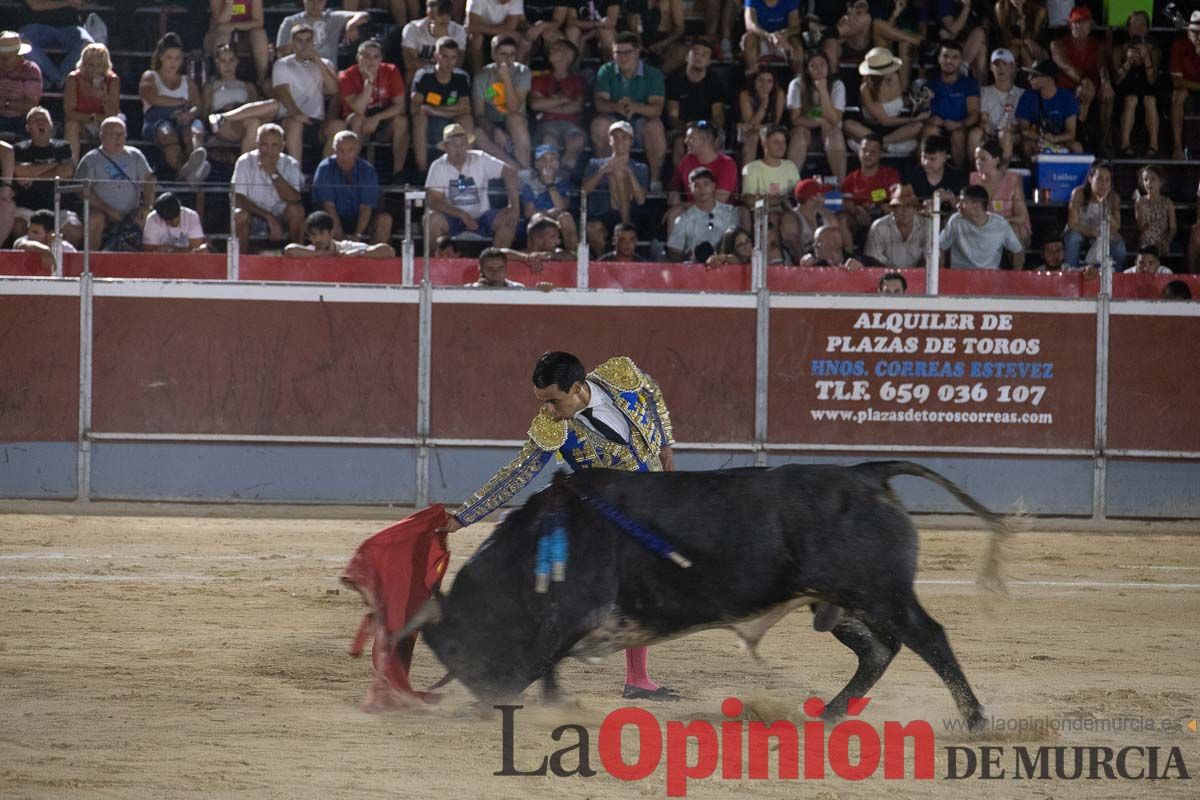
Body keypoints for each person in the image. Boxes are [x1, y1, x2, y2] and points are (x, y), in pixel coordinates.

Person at [442, 350, 678, 702]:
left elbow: (652, 391)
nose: (548, 410)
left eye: (553, 400)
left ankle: (637, 679)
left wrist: (665, 444)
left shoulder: (621, 374)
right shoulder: (551, 429)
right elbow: (517, 473)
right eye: (542, 402)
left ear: (579, 387)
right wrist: (463, 516)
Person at [591, 33, 668, 193]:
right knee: (599, 124)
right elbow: (600, 103)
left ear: (637, 51)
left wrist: (634, 106)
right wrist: (617, 106)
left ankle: (655, 180)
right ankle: (606, 176)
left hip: (641, 123)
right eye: (618, 53)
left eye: (627, 52)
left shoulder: (653, 74)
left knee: (655, 126)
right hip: (614, 120)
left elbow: (656, 109)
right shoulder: (606, 70)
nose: (622, 57)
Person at [424, 123, 520, 247]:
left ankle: (496, 261)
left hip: (483, 217)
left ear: (467, 145)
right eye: (453, 144)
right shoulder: (438, 166)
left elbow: (510, 173)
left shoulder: (480, 158)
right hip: (452, 218)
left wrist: (514, 206)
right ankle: (434, 263)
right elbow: (433, 200)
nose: (458, 149)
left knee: (509, 220)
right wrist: (462, 215)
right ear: (446, 147)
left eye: (462, 144)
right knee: (431, 219)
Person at [74, 117, 156, 251]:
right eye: (113, 134)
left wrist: (148, 206)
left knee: (147, 218)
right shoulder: (91, 159)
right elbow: (81, 189)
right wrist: (109, 210)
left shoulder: (135, 155)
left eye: (121, 134)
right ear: (102, 136)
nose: (118, 138)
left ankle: (145, 262)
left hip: (131, 212)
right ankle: (90, 262)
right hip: (102, 211)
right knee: (94, 219)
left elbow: (148, 180)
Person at [339, 39, 410, 182]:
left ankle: (398, 174)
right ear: (358, 58)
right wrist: (369, 81)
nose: (371, 61)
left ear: (381, 59)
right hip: (357, 123)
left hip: (383, 121)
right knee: (358, 119)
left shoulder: (391, 70)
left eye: (376, 56)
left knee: (401, 121)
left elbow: (399, 105)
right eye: (366, 56)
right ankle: (351, 172)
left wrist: (377, 118)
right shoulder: (346, 75)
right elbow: (359, 108)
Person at [272, 23, 345, 161]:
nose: (304, 45)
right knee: (295, 125)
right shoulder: (282, 64)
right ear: (292, 42)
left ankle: (323, 175)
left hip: (316, 121)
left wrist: (317, 60)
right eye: (299, 40)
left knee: (338, 126)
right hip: (290, 117)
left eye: (308, 40)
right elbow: (283, 93)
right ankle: (296, 174)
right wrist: (297, 114)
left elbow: (333, 90)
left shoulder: (325, 63)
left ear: (314, 42)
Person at [139, 34, 206, 183]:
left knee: (194, 129)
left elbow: (198, 106)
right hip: (156, 120)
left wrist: (190, 114)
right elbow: (152, 97)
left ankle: (195, 163)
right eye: (169, 57)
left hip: (184, 118)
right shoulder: (150, 76)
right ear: (161, 57)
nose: (173, 62)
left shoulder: (187, 81)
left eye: (177, 58)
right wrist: (180, 102)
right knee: (168, 133)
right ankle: (184, 173)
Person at [11, 106, 80, 249]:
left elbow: (67, 171)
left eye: (44, 120)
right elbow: (20, 173)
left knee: (75, 230)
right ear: (27, 128)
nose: (41, 123)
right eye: (36, 120)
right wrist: (54, 164)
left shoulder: (63, 147)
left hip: (59, 208)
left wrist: (33, 173)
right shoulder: (19, 149)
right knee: (18, 226)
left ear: (51, 125)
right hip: (28, 209)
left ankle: (64, 267)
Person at [232, 123, 307, 251]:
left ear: (282, 146)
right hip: (255, 215)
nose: (269, 150)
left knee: (297, 211)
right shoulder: (244, 162)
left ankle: (297, 256)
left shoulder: (290, 164)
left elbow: (294, 198)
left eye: (274, 145)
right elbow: (238, 198)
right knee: (239, 214)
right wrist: (267, 217)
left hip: (282, 216)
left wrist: (273, 172)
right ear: (257, 144)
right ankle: (241, 262)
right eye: (264, 144)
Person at [312, 130, 395, 245]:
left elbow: (366, 207)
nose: (345, 156)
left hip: (361, 218)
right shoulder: (324, 168)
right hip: (333, 217)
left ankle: (373, 259)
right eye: (340, 151)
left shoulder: (367, 170)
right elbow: (328, 207)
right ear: (334, 150)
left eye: (350, 151)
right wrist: (342, 240)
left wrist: (357, 236)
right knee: (324, 221)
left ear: (357, 150)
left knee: (384, 220)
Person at [1049, 5, 1113, 153]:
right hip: (1066, 88)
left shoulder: (1097, 45)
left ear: (1090, 25)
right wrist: (1084, 80)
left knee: (1108, 95)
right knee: (1084, 90)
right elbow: (1066, 66)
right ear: (1070, 25)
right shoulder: (1058, 44)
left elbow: (1102, 66)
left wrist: (1106, 82)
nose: (1080, 26)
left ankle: (1105, 141)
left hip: (1091, 85)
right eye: (1076, 22)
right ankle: (1077, 136)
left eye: (1084, 22)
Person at [581, 120, 649, 257]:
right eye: (615, 137)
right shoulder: (595, 164)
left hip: (630, 214)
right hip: (602, 213)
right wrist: (602, 171)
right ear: (610, 141)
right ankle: (604, 260)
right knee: (593, 229)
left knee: (619, 173)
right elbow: (584, 191)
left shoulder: (640, 168)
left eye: (624, 137)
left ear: (631, 141)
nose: (619, 141)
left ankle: (624, 226)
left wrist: (629, 173)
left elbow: (641, 199)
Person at [845, 47, 926, 158]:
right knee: (848, 125)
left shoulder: (895, 78)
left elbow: (901, 102)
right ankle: (886, 146)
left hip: (895, 131)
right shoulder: (865, 88)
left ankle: (879, 145)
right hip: (871, 129)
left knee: (919, 126)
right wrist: (914, 119)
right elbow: (885, 121)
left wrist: (918, 100)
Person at [411, 36, 474, 174]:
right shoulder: (424, 76)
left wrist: (434, 111)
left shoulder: (461, 77)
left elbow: (465, 107)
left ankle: (467, 169)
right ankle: (422, 169)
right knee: (419, 118)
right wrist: (450, 110)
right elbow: (416, 108)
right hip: (429, 123)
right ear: (436, 56)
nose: (449, 62)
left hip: (450, 121)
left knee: (467, 118)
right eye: (445, 56)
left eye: (453, 57)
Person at [204, 45, 278, 156]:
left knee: (274, 105)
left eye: (231, 60)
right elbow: (205, 111)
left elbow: (255, 107)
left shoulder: (248, 86)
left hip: (244, 118)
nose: (227, 65)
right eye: (223, 61)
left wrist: (238, 107)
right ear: (217, 63)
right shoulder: (211, 86)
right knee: (253, 123)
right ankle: (223, 117)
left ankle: (226, 117)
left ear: (236, 62)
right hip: (223, 124)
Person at [472, 35, 533, 168]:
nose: (508, 59)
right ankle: (515, 169)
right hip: (492, 122)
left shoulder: (523, 72)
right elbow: (479, 114)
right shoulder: (482, 77)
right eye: (503, 54)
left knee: (515, 119)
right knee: (476, 133)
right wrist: (494, 130)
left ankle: (525, 169)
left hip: (516, 122)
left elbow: (514, 108)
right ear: (494, 54)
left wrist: (506, 79)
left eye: (512, 55)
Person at [786, 50, 847, 180]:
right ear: (807, 69)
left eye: (822, 64)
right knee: (800, 133)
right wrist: (820, 121)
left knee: (834, 132)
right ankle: (789, 184)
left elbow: (835, 120)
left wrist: (823, 90)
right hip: (805, 130)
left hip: (828, 133)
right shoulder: (797, 85)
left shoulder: (837, 85)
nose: (819, 69)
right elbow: (796, 119)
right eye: (813, 65)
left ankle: (841, 185)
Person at [742, 124, 800, 258]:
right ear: (764, 143)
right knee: (774, 219)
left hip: (787, 212)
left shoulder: (790, 166)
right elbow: (747, 199)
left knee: (788, 220)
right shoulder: (751, 168)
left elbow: (797, 195)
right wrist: (771, 200)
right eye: (776, 142)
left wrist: (776, 200)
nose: (781, 146)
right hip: (761, 215)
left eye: (783, 142)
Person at [665, 38, 726, 167]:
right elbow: (672, 117)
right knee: (680, 142)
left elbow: (718, 114)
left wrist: (708, 131)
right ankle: (681, 182)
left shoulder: (714, 82)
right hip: (681, 128)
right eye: (696, 53)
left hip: (707, 127)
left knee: (714, 140)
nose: (699, 57)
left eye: (704, 55)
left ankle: (710, 179)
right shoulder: (675, 80)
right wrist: (690, 130)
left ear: (709, 61)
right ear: (687, 56)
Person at [529, 38, 587, 171]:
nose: (552, 50)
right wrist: (562, 100)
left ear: (568, 56)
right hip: (546, 125)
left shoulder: (578, 81)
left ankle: (565, 171)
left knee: (576, 139)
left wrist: (548, 105)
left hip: (572, 125)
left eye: (557, 48)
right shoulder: (539, 79)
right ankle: (550, 175)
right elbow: (535, 104)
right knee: (549, 140)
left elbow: (577, 107)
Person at [922, 41, 981, 168]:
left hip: (961, 127)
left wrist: (958, 124)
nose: (949, 61)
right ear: (939, 59)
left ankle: (960, 177)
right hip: (938, 129)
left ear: (960, 61)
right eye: (945, 56)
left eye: (955, 57)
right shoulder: (930, 85)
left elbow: (974, 113)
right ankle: (924, 173)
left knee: (957, 134)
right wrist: (930, 118)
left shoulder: (969, 84)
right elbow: (922, 113)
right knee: (929, 129)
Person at [938, 184, 1025, 270]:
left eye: (963, 201)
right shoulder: (955, 221)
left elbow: (1018, 251)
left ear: (976, 205)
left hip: (990, 278)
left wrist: (1016, 276)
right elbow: (940, 247)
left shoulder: (1001, 225)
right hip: (961, 276)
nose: (957, 205)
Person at [840, 134, 902, 247]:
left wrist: (886, 207)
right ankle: (850, 256)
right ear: (859, 152)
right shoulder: (850, 179)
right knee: (843, 219)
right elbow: (846, 202)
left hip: (883, 217)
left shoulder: (890, 175)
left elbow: (897, 196)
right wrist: (856, 209)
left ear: (880, 154)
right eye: (864, 150)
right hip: (859, 219)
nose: (867, 154)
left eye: (873, 152)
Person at [62, 42, 119, 164]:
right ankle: (71, 171)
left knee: (115, 127)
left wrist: (104, 97)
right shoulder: (73, 79)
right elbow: (69, 112)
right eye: (90, 65)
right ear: (83, 64)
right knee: (71, 125)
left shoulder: (113, 80)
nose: (94, 69)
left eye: (98, 65)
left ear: (104, 66)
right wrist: (93, 117)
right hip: (83, 123)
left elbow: (113, 115)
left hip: (103, 123)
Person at [667, 166, 740, 261]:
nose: (702, 189)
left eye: (706, 184)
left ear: (713, 186)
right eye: (696, 185)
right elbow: (675, 251)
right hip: (695, 267)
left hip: (725, 265)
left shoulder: (730, 213)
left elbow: (737, 244)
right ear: (690, 188)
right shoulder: (685, 218)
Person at [1112, 10, 1159, 158]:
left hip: (1147, 91)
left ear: (1147, 29)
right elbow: (1117, 80)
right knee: (1131, 99)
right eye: (1134, 24)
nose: (1138, 28)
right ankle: (1125, 144)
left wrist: (1146, 58)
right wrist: (1128, 62)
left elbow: (1152, 80)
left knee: (1150, 100)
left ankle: (1154, 145)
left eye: (1142, 25)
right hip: (1125, 91)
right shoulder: (1119, 49)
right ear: (1128, 28)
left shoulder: (1155, 50)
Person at [970, 138, 1030, 248]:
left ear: (996, 160)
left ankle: (1017, 265)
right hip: (981, 226)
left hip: (1008, 225)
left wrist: (996, 223)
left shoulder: (1012, 180)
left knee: (1014, 230)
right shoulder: (973, 179)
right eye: (976, 159)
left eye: (983, 159)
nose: (978, 162)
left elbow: (1021, 216)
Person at [17, 0, 90, 91]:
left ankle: (59, 78)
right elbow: (35, 5)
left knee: (88, 44)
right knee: (21, 43)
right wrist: (66, 3)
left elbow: (79, 2)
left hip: (69, 26)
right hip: (35, 26)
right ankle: (58, 78)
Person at [1016, 59, 1082, 158]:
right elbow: (1024, 130)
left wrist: (1054, 139)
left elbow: (1071, 133)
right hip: (1037, 141)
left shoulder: (1067, 97)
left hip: (1060, 141)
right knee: (1027, 146)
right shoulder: (1027, 96)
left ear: (1048, 78)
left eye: (1035, 75)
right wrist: (1041, 139)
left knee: (1077, 147)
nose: (1029, 78)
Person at [1064, 163, 1124, 269]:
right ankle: (1070, 273)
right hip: (1081, 231)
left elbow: (1116, 226)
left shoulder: (1114, 198)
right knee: (1073, 238)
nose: (1103, 184)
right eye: (1099, 179)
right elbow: (1073, 224)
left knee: (1119, 246)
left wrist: (1103, 205)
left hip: (1102, 234)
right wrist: (1091, 232)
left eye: (1107, 180)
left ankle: (1117, 278)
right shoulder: (1079, 193)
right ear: (1090, 179)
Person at [519, 143, 578, 250]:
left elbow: (562, 207)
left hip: (557, 219)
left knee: (566, 217)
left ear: (557, 164)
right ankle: (534, 258)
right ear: (537, 164)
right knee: (538, 218)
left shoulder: (563, 182)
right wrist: (547, 213)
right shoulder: (529, 184)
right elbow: (529, 212)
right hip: (538, 219)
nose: (548, 164)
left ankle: (572, 255)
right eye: (543, 160)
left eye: (552, 160)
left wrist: (550, 183)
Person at [971, 48, 1024, 164]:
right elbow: (983, 118)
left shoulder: (1021, 94)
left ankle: (1002, 171)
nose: (1001, 68)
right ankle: (973, 172)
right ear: (991, 67)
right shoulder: (984, 92)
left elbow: (1023, 123)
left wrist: (1008, 129)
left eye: (1005, 64)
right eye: (997, 64)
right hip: (989, 132)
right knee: (975, 133)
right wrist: (987, 127)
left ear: (1012, 67)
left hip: (1011, 134)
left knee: (1004, 134)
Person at [276, 0, 370, 64]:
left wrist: (351, 24)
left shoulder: (334, 18)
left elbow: (364, 15)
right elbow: (281, 51)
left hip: (327, 69)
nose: (315, 3)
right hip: (300, 68)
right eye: (311, 0)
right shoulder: (290, 21)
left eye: (319, 0)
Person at [394, 0, 468, 77]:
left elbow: (458, 63)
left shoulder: (458, 31)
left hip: (447, 76)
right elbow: (410, 63)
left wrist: (443, 38)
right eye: (439, 14)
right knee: (411, 73)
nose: (444, 18)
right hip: (422, 75)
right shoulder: (412, 29)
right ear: (428, 14)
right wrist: (439, 66)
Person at [205, 0, 271, 85]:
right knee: (224, 32)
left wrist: (234, 25)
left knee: (259, 34)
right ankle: (219, 79)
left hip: (244, 34)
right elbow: (220, 22)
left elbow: (258, 22)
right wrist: (230, 3)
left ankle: (262, 81)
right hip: (217, 36)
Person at [865, 183, 929, 268]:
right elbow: (873, 260)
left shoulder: (927, 225)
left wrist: (916, 275)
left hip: (918, 276)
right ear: (893, 209)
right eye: (900, 206)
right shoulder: (878, 227)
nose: (904, 210)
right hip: (886, 276)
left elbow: (930, 257)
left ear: (914, 209)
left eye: (908, 206)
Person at [285, 210, 396, 258]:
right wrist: (322, 254)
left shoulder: (347, 247)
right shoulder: (310, 251)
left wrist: (358, 253)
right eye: (313, 235)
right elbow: (289, 250)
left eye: (321, 233)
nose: (317, 238)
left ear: (331, 232)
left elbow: (389, 251)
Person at [737, 67, 785, 165]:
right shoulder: (745, 95)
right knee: (753, 137)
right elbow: (750, 125)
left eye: (769, 81)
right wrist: (763, 105)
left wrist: (757, 127)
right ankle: (747, 177)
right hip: (749, 134)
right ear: (754, 82)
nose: (765, 85)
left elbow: (774, 126)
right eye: (761, 80)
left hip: (769, 133)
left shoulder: (779, 94)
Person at [1169, 11, 1200, 160]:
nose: (1199, 37)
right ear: (1188, 32)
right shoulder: (1179, 46)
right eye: (1195, 32)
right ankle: (1177, 147)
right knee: (1177, 95)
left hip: (1192, 84)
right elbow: (1177, 82)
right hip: (1187, 87)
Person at [742, 0, 803, 72]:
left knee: (797, 45)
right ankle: (752, 74)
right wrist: (768, 36)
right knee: (749, 39)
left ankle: (798, 78)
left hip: (782, 40)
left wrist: (784, 34)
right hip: (761, 38)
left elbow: (795, 27)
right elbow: (750, 24)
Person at [0, 30, 41, 137]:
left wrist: (6, 104)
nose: (1, 61)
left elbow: (31, 104)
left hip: (22, 119)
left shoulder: (31, 70)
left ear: (18, 55)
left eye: (5, 58)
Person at [465, 0, 522, 72]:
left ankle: (513, 75)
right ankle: (478, 76)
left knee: (517, 38)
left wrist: (482, 27)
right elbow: (472, 26)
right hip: (480, 33)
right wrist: (501, 30)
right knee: (476, 39)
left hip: (497, 31)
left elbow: (511, 26)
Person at [143, 192, 209, 253]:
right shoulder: (152, 218)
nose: (173, 222)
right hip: (161, 260)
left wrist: (172, 250)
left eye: (176, 217)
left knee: (204, 250)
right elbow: (148, 250)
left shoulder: (191, 216)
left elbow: (196, 249)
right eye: (168, 220)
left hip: (188, 260)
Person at [1134, 165, 1175, 261]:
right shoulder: (1140, 201)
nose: (1149, 183)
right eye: (1146, 180)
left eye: (1153, 179)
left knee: (1160, 248)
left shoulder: (1168, 202)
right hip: (1146, 238)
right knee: (1147, 247)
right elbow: (1140, 227)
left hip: (1162, 238)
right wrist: (1142, 213)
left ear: (1161, 181)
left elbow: (1173, 227)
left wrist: (1168, 240)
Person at [994, 0, 1048, 68]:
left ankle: (1032, 77)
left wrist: (1024, 29)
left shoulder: (1039, 10)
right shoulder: (1001, 7)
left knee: (1024, 51)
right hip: (1009, 47)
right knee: (1015, 50)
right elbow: (1006, 39)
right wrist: (1025, 41)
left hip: (1032, 50)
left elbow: (1033, 41)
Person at [799, 223, 878, 269]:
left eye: (819, 241)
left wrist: (863, 271)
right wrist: (805, 270)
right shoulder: (814, 266)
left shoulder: (866, 262)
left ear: (835, 242)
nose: (814, 245)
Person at [790, 177, 834, 256]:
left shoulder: (825, 215)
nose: (825, 197)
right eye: (822, 194)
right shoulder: (792, 219)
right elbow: (795, 251)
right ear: (812, 198)